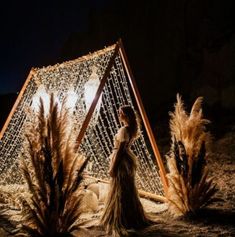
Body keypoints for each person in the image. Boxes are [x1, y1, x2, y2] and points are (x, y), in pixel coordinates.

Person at [100, 105, 150, 236]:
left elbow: (121, 150)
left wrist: (113, 167)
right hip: (127, 159)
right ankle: (132, 216)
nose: (118, 115)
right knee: (127, 189)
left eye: (120, 113)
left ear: (126, 115)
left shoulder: (124, 130)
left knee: (120, 189)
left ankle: (120, 218)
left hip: (121, 160)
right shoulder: (132, 128)